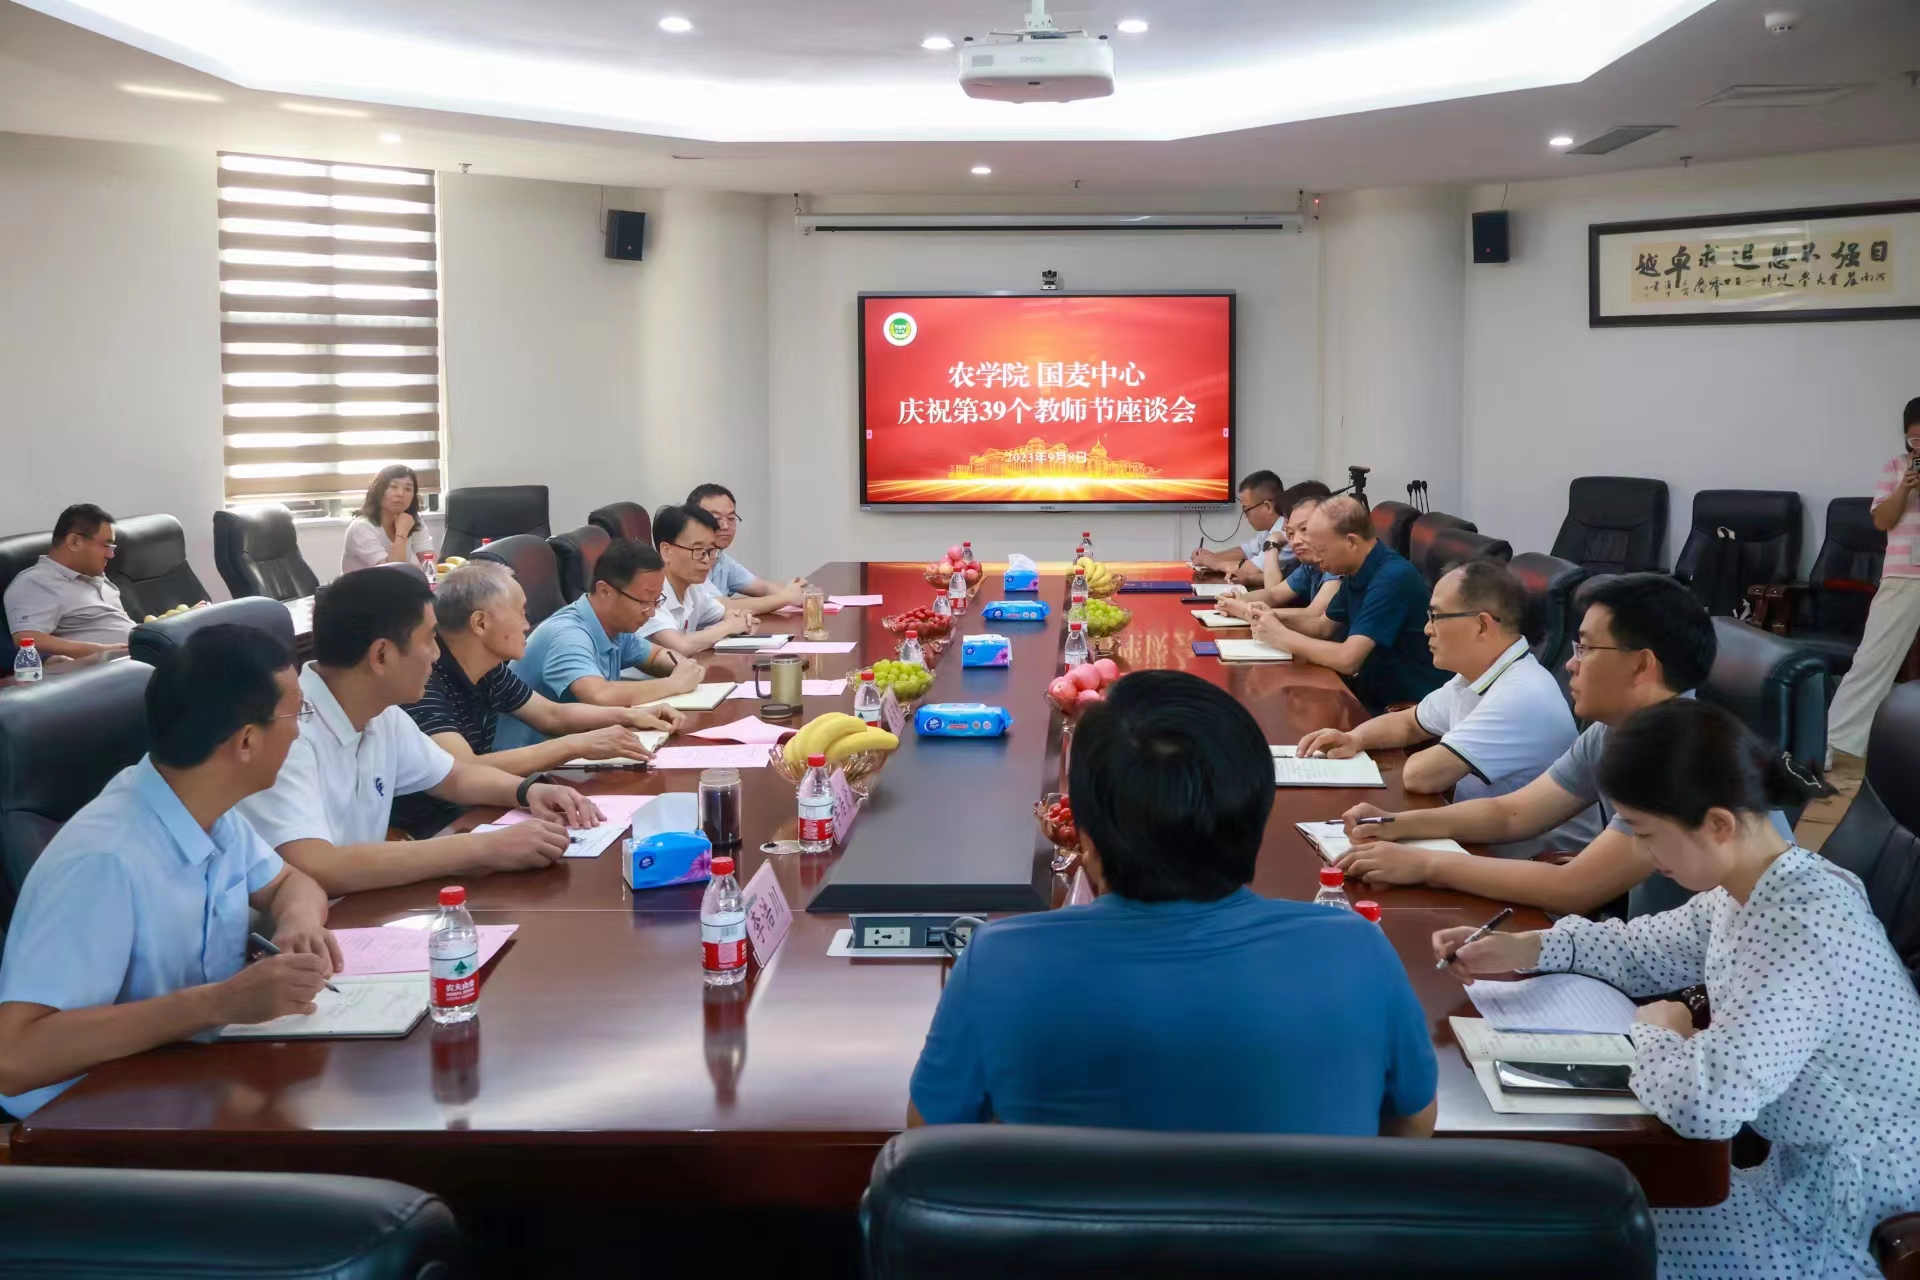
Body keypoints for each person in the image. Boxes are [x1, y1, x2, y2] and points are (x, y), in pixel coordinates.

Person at [1435, 698, 1920, 1278]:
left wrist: (1659, 1034)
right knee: (1557, 1217)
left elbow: (1706, 1106)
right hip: (1789, 1181)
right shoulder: (1748, 891)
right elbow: (1640, 949)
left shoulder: (1803, 930)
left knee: (1570, 1243)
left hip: (1844, 1224)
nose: (1644, 854)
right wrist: (1525, 949)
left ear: (1718, 825)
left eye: (1648, 834)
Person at [908, 670, 1437, 1135]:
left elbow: (931, 1142)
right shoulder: (1355, 951)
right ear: (1257, 816)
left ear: (1083, 836)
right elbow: (1411, 1123)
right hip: (1299, 1225)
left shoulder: (1000, 961)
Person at [0, 626, 338, 1118]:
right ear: (246, 740)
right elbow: (14, 1056)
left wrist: (298, 922)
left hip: (183, 1075)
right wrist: (219, 1003)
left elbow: (290, 881)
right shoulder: (104, 861)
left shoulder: (205, 809)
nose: (298, 732)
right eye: (296, 715)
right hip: (83, 1120)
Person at [1334, 573, 1784, 919]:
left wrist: (1425, 865)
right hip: (1647, 947)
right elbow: (1514, 813)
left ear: (1640, 665)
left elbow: (1574, 888)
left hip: (1699, 974)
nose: (1570, 664)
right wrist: (1395, 824)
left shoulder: (1677, 756)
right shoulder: (1614, 731)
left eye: (1586, 649)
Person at [238, 566, 601, 895]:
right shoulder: (286, 733)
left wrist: (528, 791)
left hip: (362, 903)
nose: (437, 655)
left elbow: (455, 776)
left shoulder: (382, 715)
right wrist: (482, 847)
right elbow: (316, 865)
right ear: (381, 655)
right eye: (429, 640)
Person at [1298, 560, 1586, 857]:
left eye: (1436, 617)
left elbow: (1422, 776)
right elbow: (1409, 722)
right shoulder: (1476, 675)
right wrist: (1355, 738)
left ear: (1481, 625)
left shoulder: (1521, 693)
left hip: (1530, 864)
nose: (1427, 629)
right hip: (1477, 840)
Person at [394, 562, 686, 831]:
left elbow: (551, 714)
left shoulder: (489, 669)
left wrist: (632, 715)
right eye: (521, 612)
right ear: (480, 623)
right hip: (435, 829)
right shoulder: (424, 681)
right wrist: (577, 744)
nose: (527, 624)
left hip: (482, 809)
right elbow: (463, 769)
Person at [497, 538, 706, 750]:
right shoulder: (567, 635)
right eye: (644, 602)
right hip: (529, 759)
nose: (651, 613)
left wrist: (682, 667)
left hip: (576, 748)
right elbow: (599, 695)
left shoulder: (615, 625)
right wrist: (673, 684)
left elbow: (654, 656)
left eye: (656, 601)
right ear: (606, 591)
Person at [1251, 496, 1445, 712]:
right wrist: (1272, 617)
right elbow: (1324, 627)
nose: (1316, 558)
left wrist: (1281, 636)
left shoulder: (1392, 578)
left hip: (1404, 706)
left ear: (1351, 542)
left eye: (1321, 550)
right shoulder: (1355, 570)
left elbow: (1348, 659)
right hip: (1367, 691)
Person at [1826, 396, 1920, 765]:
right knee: (1871, 661)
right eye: (1915, 439)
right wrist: (1905, 489)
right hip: (1904, 574)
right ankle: (1837, 745)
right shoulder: (1895, 467)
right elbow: (1882, 521)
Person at [4, 503, 133, 658]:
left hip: (141, 657)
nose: (111, 555)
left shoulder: (97, 578)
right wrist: (103, 651)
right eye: (106, 545)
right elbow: (28, 639)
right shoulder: (37, 582)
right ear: (74, 542)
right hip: (109, 666)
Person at [1216, 484, 1340, 624]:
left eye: (1304, 529)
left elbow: (1315, 617)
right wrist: (1237, 599)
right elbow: (1274, 594)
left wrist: (1248, 610)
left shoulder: (1337, 565)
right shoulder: (1309, 565)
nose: (1283, 528)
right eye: (1291, 531)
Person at [643, 505, 756, 656]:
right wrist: (729, 626)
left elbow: (726, 614)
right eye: (698, 551)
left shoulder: (693, 588)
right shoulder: (648, 593)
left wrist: (743, 620)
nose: (707, 560)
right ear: (666, 551)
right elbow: (679, 646)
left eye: (711, 550)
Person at [687, 483, 807, 617]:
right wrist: (786, 598)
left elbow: (762, 587)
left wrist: (798, 590)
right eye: (716, 519)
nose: (725, 526)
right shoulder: (687, 560)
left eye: (731, 518)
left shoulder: (720, 558)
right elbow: (718, 606)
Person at [1192, 470, 1285, 587]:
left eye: (1246, 510)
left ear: (1267, 506)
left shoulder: (1284, 532)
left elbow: (1253, 569)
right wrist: (1210, 557)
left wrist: (1215, 563)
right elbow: (1245, 551)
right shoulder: (1269, 530)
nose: (1245, 516)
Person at [341, 464, 434, 575]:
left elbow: (430, 561)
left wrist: (419, 570)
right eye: (393, 487)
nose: (400, 494)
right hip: (361, 586)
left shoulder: (413, 520)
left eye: (407, 489)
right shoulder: (361, 527)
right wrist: (402, 532)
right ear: (378, 491)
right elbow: (392, 574)